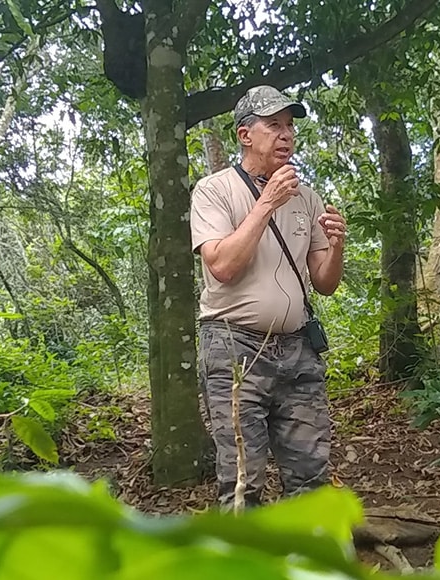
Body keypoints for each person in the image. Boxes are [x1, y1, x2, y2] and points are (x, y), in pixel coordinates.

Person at [189, 85, 346, 508]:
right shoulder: (215, 190)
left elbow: (324, 283)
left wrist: (336, 246)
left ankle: (311, 566)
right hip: (233, 346)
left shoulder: (307, 197)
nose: (286, 135)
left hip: (297, 350)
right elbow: (221, 266)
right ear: (245, 135)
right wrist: (266, 204)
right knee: (244, 478)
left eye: (290, 126)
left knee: (311, 476)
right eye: (273, 126)